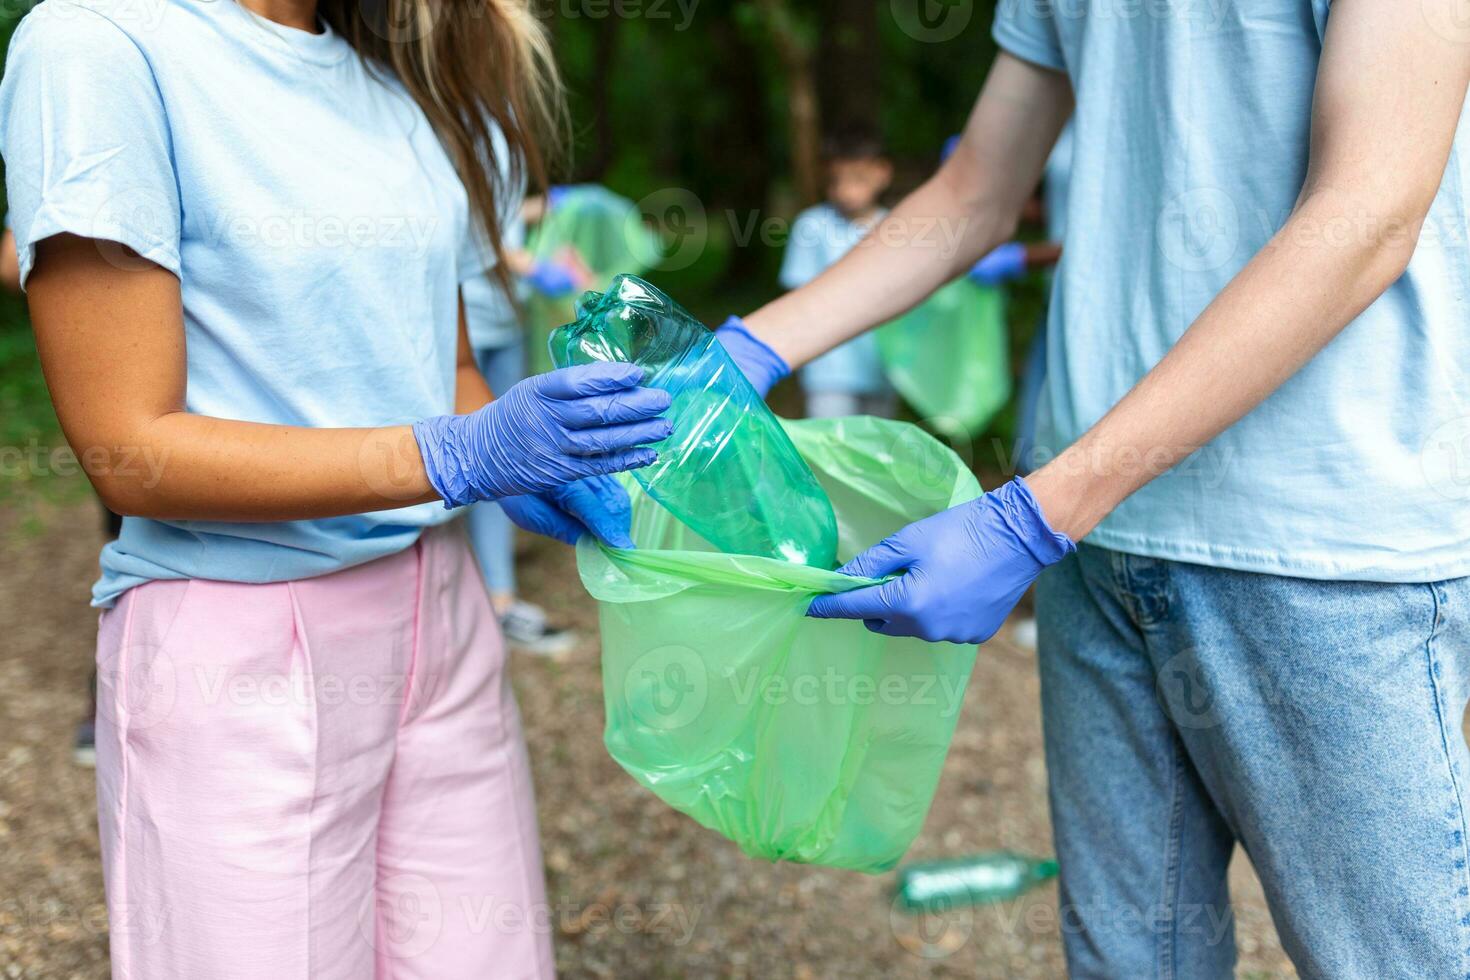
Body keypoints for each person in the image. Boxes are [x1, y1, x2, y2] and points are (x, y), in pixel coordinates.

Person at [716, 3, 1470, 976]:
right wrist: (745, 351)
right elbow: (980, 185)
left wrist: (1038, 511)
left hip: (1315, 541)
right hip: (1096, 541)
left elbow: (1368, 214)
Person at [1, 0, 673, 975]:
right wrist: (455, 455)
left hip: (440, 610)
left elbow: (437, 366)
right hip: (243, 638)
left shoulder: (395, 84)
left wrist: (534, 459)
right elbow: (127, 447)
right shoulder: (100, 42)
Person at [778, 125, 896, 419]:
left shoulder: (895, 227)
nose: (845, 191)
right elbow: (798, 295)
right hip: (827, 367)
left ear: (882, 172)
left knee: (876, 452)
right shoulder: (812, 225)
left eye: (857, 179)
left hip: (881, 367)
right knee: (829, 449)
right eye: (835, 180)